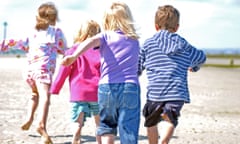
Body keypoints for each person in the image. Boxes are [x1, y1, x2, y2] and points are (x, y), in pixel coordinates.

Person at [60, 1, 141, 144]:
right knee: (128, 127)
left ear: (107, 20)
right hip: (130, 87)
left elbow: (89, 41)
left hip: (107, 86)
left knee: (107, 126)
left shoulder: (105, 36)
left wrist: (74, 56)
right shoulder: (134, 40)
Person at [138, 5, 206, 144]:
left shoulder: (148, 44)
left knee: (151, 122)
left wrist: (135, 74)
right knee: (170, 120)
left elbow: (138, 65)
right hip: (176, 92)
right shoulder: (183, 44)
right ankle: (164, 141)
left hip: (155, 93)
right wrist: (194, 66)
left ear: (156, 26)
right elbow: (201, 57)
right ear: (176, 27)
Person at [0, 2, 68, 144]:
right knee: (45, 98)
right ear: (54, 18)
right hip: (43, 71)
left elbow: (17, 42)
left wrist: (3, 44)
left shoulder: (32, 33)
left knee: (35, 94)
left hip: (29, 72)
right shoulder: (56, 32)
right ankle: (41, 125)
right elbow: (63, 50)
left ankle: (29, 118)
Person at [50, 19, 102, 144]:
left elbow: (63, 71)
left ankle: (77, 134)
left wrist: (55, 88)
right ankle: (100, 141)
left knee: (77, 120)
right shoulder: (101, 52)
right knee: (99, 122)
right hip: (97, 91)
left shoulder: (72, 51)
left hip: (78, 92)